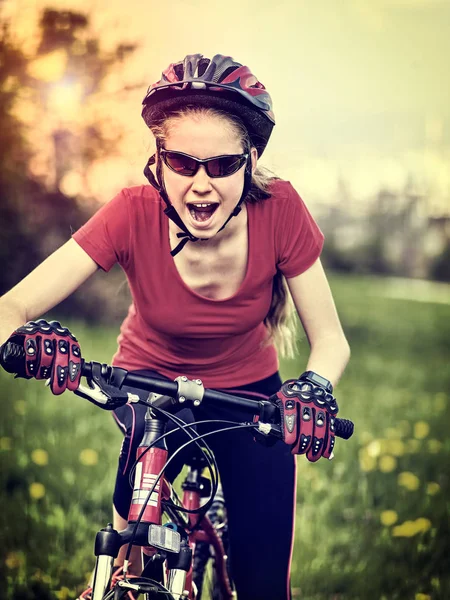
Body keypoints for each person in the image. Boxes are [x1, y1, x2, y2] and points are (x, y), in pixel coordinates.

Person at [0, 54, 350, 600]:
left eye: (223, 165)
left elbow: (330, 340)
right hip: (149, 388)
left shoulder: (281, 211)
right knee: (132, 544)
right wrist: (27, 338)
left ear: (251, 159)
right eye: (183, 163)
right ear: (158, 162)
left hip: (250, 398)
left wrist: (314, 386)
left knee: (263, 585)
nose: (202, 185)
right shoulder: (130, 213)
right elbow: (9, 307)